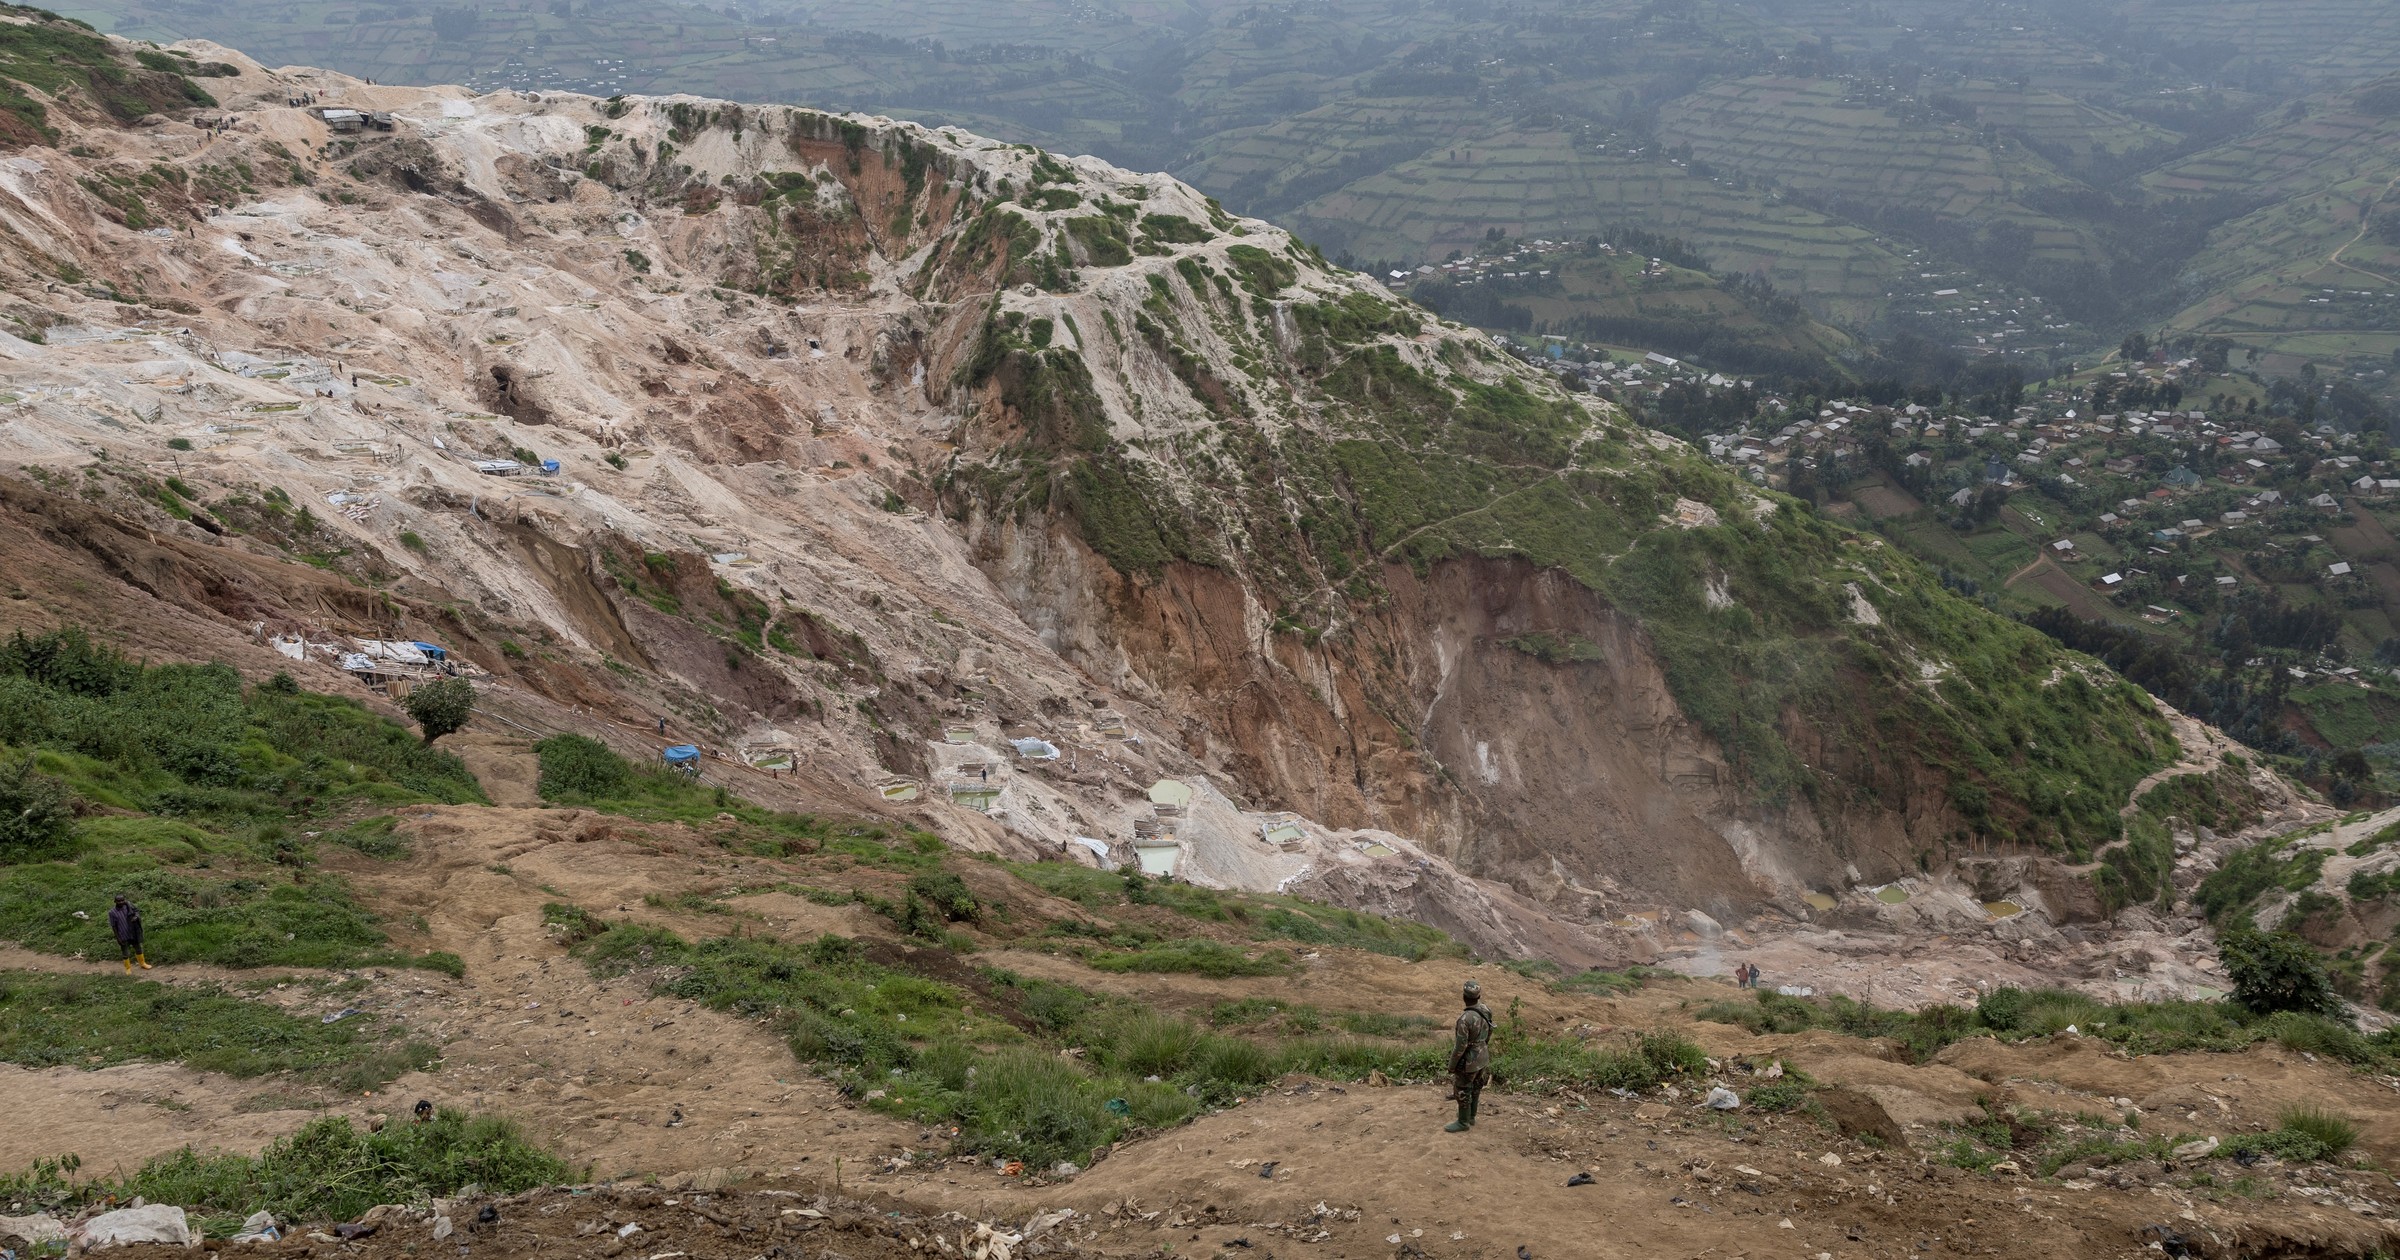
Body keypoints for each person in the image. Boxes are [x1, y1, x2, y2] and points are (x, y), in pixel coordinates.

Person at [1445, 979, 1493, 1133]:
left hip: (1470, 1060)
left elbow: (1460, 1047)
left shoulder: (1465, 1019)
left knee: (1463, 1088)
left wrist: (1452, 1065)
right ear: (1478, 997)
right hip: (1483, 1055)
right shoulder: (1486, 1010)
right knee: (1476, 1086)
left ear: (1464, 997)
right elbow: (1489, 1032)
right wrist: (1482, 1046)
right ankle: (1471, 1116)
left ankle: (1463, 1122)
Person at [109, 896, 150, 973]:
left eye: (122, 900)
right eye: (119, 901)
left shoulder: (129, 906)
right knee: (125, 953)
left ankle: (142, 963)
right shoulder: (112, 912)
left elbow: (137, 911)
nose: (121, 902)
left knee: (138, 949)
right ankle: (128, 968)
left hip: (133, 933)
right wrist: (118, 938)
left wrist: (136, 917)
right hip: (123, 934)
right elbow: (113, 926)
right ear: (115, 901)